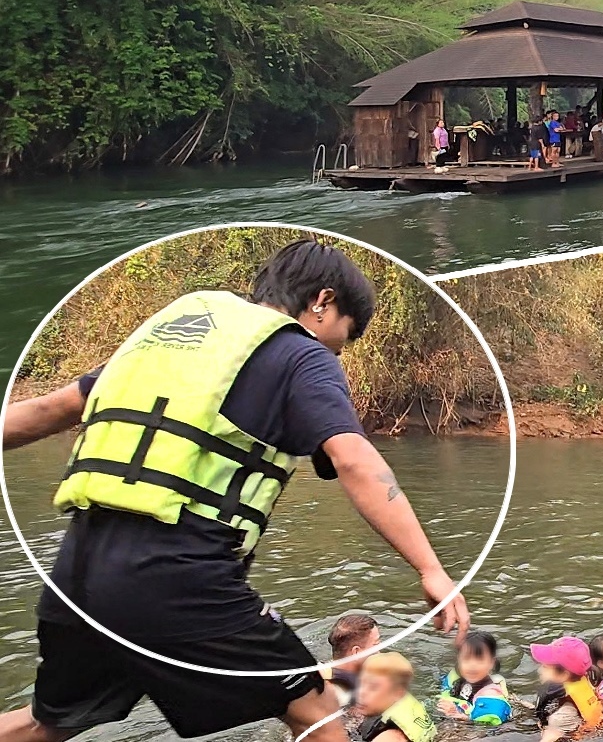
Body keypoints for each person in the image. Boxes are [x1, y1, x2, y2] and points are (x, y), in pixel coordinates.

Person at [0, 240, 470, 742]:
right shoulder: (301, 355)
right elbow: (354, 458)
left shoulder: (170, 344)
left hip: (77, 569)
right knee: (320, 711)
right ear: (322, 302)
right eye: (344, 335)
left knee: (45, 723)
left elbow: (46, 411)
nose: (338, 350)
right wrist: (431, 568)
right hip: (178, 576)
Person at [530, 637, 603, 742]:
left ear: (564, 674)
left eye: (545, 667)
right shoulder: (587, 684)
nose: (539, 670)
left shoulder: (560, 717)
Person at [354, 652, 435, 742]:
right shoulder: (402, 703)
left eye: (373, 687)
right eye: (361, 683)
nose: (361, 692)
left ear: (397, 693)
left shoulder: (389, 738)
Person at [438, 631, 511, 725]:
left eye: (479, 659)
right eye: (466, 658)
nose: (472, 665)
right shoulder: (456, 679)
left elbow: (487, 725)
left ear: (491, 663)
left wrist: (457, 714)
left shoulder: (490, 694)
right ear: (459, 660)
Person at [323, 613, 381, 707]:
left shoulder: (324, 671)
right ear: (356, 652)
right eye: (376, 645)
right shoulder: (341, 697)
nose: (379, 652)